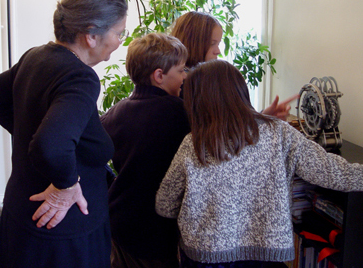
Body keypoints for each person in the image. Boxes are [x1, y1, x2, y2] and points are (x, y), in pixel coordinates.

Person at [155, 59, 363, 268]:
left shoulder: (193, 144)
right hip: (265, 257)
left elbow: (165, 205)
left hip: (204, 257)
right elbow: (333, 172)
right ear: (241, 92)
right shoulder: (279, 133)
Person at [0, 0, 128, 268]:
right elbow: (51, 146)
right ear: (91, 35)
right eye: (120, 33)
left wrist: (30, 131)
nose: (120, 42)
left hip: (23, 216)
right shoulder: (81, 77)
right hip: (61, 239)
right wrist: (66, 185)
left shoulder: (36, 56)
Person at [101, 33, 191, 268]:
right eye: (181, 71)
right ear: (159, 75)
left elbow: (88, 151)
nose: (184, 77)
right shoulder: (180, 113)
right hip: (154, 230)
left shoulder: (115, 112)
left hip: (118, 222)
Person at [170, 11, 297, 120]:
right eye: (212, 43)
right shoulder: (184, 84)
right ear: (193, 42)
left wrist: (263, 116)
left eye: (218, 43)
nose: (218, 51)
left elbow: (232, 124)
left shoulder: (210, 78)